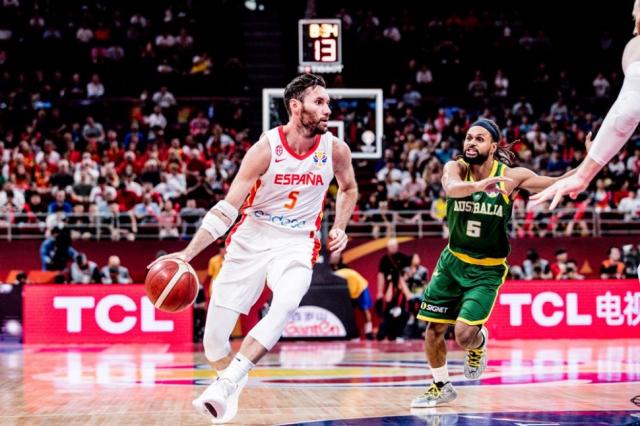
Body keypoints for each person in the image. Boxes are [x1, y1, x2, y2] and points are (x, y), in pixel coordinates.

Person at [148, 73, 357, 423]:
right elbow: (227, 208)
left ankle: (227, 383)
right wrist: (187, 254)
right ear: (296, 106)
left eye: (328, 103)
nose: (328, 110)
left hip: (298, 241)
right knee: (214, 343)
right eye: (319, 102)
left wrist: (340, 226)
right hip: (252, 238)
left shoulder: (335, 149)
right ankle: (230, 382)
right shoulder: (265, 149)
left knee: (286, 302)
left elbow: (348, 188)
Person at [411, 118, 582, 408]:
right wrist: (479, 185)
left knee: (464, 335)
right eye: (468, 137)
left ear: (493, 147)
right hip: (452, 262)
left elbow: (557, 181)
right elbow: (452, 188)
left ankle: (478, 343)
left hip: (486, 269)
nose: (470, 143)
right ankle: (441, 386)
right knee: (434, 329)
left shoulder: (512, 177)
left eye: (479, 139)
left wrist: (593, 159)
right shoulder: (455, 168)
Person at [531, 1, 640, 209]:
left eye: (636, 19)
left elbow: (627, 112)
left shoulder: (635, 48)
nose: (635, 29)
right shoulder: (634, 49)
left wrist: (584, 174)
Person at [329, 252, 374, 340]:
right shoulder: (329, 269)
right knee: (347, 312)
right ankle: (350, 332)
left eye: (336, 256)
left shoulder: (343, 268)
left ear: (340, 258)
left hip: (360, 287)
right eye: (332, 256)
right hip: (349, 291)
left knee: (365, 310)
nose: (333, 258)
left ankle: (369, 332)